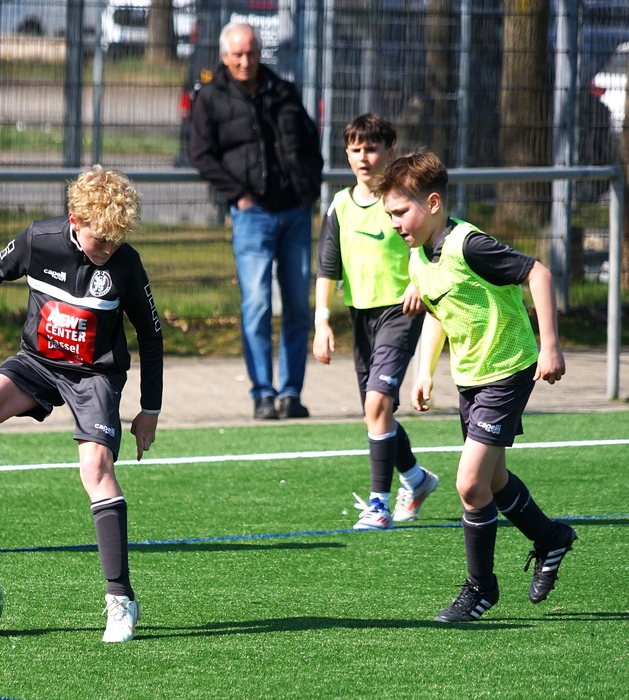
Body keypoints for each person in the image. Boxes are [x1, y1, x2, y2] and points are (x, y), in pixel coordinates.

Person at [0, 166, 162, 643]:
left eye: (116, 240)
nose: (108, 249)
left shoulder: (125, 264)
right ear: (75, 220)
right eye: (100, 240)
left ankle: (121, 599)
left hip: (94, 375)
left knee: (95, 468)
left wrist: (150, 409)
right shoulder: (41, 239)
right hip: (37, 363)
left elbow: (151, 336)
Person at [375, 152, 576, 622]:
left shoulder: (469, 245)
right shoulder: (418, 255)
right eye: (389, 215)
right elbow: (437, 310)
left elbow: (539, 273)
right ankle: (551, 538)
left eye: (401, 212)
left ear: (433, 203)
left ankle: (481, 588)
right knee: (494, 480)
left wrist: (550, 346)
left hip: (507, 371)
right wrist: (425, 371)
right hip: (471, 377)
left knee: (469, 484)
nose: (395, 223)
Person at [188, 21, 323, 420]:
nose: (245, 61)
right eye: (237, 54)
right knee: (258, 304)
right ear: (224, 56)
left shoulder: (284, 90)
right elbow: (200, 154)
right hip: (252, 216)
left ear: (260, 52)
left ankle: (291, 393)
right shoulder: (210, 97)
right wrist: (240, 197)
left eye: (251, 52)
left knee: (297, 305)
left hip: (295, 212)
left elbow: (310, 142)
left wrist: (308, 190)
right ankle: (263, 393)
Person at [313, 114, 439, 530]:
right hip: (361, 316)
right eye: (355, 149)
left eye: (371, 149)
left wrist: (419, 281)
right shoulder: (339, 205)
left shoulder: (399, 202)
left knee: (377, 403)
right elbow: (327, 268)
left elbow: (426, 242)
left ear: (389, 152)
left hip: (400, 311)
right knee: (376, 412)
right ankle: (416, 479)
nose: (363, 157)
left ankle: (378, 505)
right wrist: (322, 322)